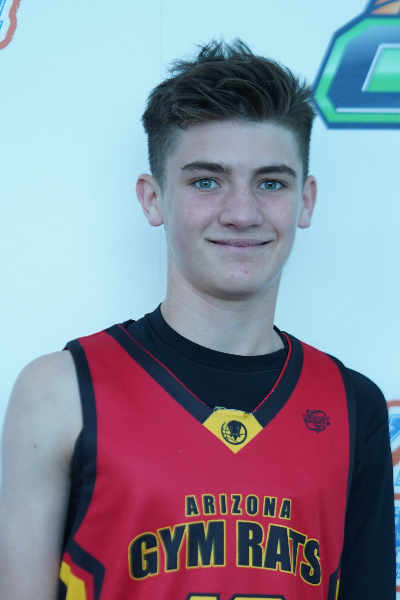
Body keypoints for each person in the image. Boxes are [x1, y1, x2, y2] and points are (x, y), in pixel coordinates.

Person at [0, 40, 395, 600]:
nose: (242, 213)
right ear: (153, 198)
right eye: (206, 181)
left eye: (271, 182)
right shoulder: (59, 392)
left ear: (306, 201)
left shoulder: (352, 406)